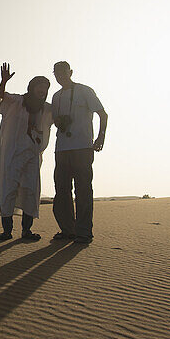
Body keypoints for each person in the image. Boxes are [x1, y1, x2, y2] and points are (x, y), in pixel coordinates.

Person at [0, 63, 53, 241]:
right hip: (13, 155)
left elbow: (59, 118)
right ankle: (7, 231)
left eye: (45, 90)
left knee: (30, 191)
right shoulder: (17, 101)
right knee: (8, 190)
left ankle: (26, 230)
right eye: (40, 88)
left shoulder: (46, 108)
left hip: (32, 155)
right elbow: (2, 95)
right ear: (32, 88)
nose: (43, 92)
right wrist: (3, 81)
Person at [50, 61, 106, 244]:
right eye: (57, 73)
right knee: (62, 191)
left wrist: (100, 137)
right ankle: (68, 230)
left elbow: (102, 114)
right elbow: (55, 121)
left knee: (83, 190)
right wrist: (59, 121)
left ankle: (84, 232)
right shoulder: (56, 96)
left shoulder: (84, 90)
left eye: (63, 72)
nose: (61, 76)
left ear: (71, 72)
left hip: (82, 147)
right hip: (62, 148)